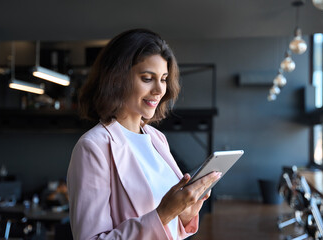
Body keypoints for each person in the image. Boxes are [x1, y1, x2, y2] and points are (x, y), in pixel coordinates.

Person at [67, 29, 221, 240]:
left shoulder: (157, 138)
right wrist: (164, 214)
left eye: (164, 79)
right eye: (148, 78)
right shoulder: (93, 147)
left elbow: (165, 231)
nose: (160, 90)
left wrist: (184, 215)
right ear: (117, 79)